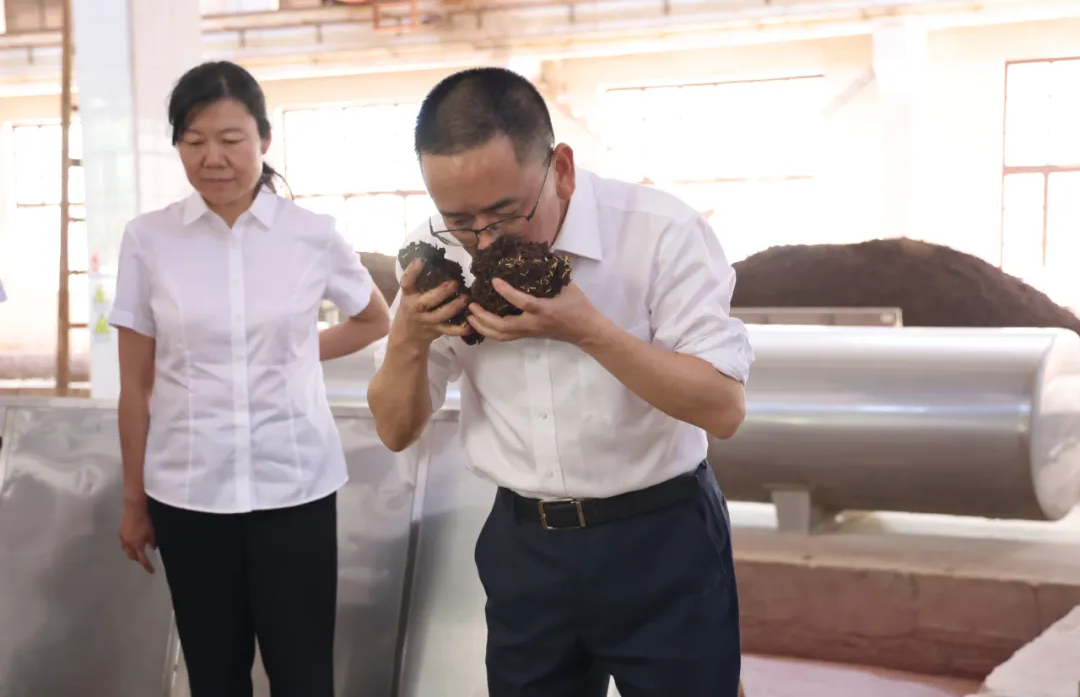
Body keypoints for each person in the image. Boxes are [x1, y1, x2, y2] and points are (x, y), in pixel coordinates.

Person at [368, 66, 754, 697]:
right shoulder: (432, 252)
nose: (484, 240)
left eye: (505, 213)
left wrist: (589, 330)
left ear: (563, 169)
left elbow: (724, 408)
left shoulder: (662, 232)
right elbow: (394, 428)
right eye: (460, 220)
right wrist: (407, 340)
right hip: (525, 549)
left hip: (660, 538)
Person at [110, 60, 390, 697]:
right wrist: (133, 501)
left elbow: (372, 319)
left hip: (294, 489)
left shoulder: (311, 236)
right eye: (194, 141)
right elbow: (137, 384)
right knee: (214, 673)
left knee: (303, 673)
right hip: (188, 493)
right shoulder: (148, 240)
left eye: (231, 139)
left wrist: (291, 351)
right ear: (177, 145)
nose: (214, 158)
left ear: (264, 139)